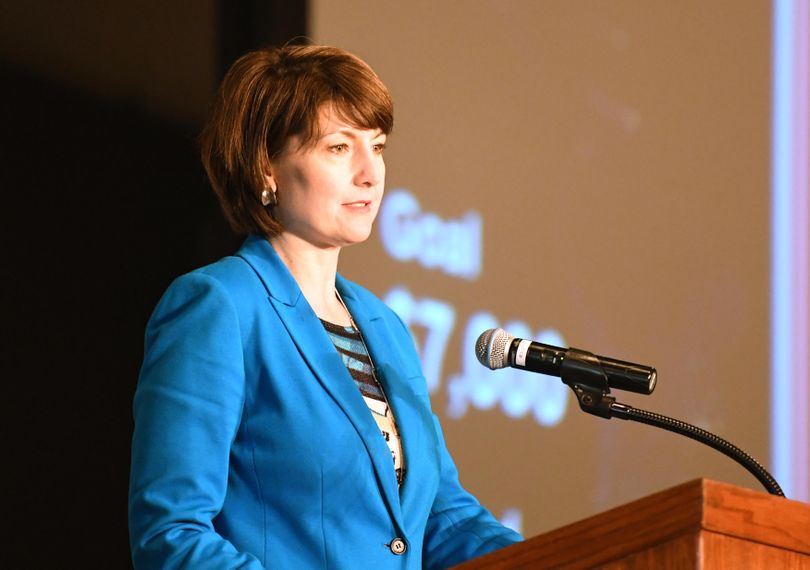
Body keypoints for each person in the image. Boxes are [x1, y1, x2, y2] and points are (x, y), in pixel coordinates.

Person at [128, 44, 522, 569]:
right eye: (339, 147)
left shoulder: (386, 328)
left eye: (377, 146)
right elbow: (171, 533)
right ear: (266, 166)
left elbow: (438, 518)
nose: (370, 173)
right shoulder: (220, 307)